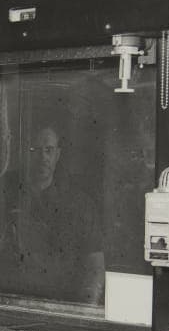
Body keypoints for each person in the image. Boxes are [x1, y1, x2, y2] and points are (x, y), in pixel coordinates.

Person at [8, 125, 105, 304]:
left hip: (64, 303)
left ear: (57, 155)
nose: (42, 157)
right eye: (34, 150)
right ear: (25, 154)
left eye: (49, 150)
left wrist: (87, 311)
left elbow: (95, 266)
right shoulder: (8, 197)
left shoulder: (80, 204)